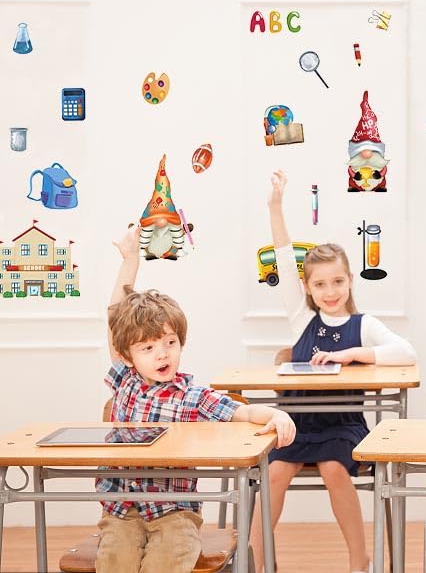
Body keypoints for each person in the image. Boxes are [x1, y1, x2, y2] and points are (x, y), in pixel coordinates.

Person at [98, 226, 296, 573]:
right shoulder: (125, 381)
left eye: (169, 343)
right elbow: (115, 317)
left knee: (169, 561)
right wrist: (130, 260)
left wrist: (275, 415)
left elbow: (242, 410)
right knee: (115, 562)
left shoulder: (193, 396)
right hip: (122, 509)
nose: (162, 354)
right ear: (128, 355)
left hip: (174, 511)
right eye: (148, 348)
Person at [253, 170, 417, 573]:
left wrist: (353, 356)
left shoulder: (364, 325)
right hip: (295, 423)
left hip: (341, 425)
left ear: (349, 280)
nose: (330, 291)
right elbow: (283, 250)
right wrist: (275, 205)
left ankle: (357, 558)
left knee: (334, 470)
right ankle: (253, 559)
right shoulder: (300, 319)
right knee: (273, 472)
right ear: (307, 287)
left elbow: (406, 352)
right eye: (321, 284)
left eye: (338, 281)